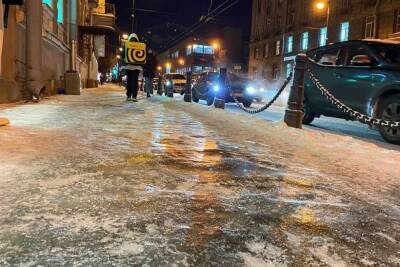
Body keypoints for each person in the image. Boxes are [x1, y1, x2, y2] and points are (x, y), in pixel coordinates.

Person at [120, 33, 143, 102]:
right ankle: (134, 96)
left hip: (128, 66)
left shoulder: (127, 44)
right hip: (137, 66)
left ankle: (128, 96)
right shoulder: (140, 45)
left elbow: (123, 55)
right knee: (135, 81)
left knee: (129, 81)